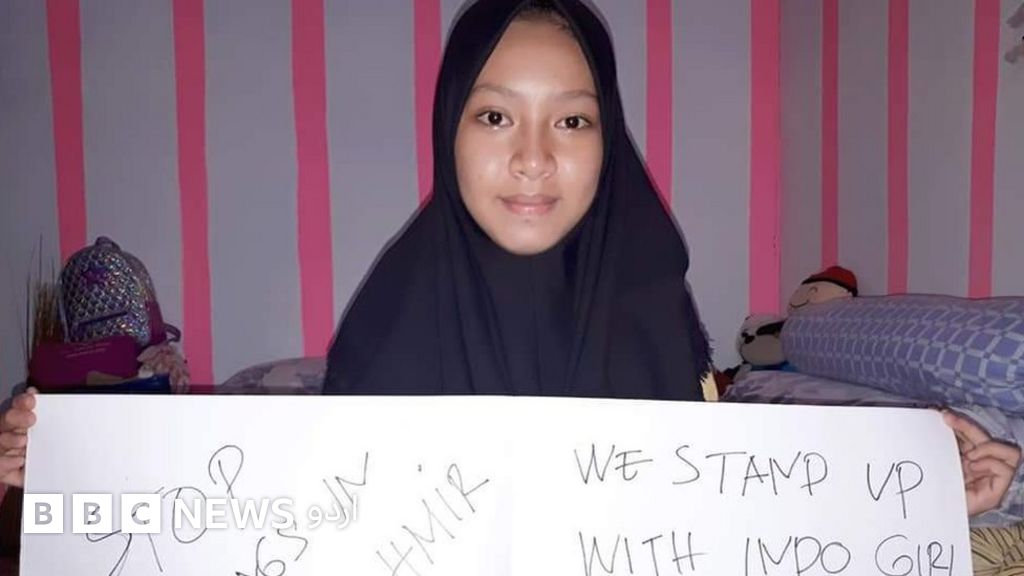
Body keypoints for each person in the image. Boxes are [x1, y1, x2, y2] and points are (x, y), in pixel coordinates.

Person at [0, 0, 1018, 524]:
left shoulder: (652, 308)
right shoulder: (392, 322)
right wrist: (80, 469)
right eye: (494, 116)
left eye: (572, 120)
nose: (533, 157)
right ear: (449, 128)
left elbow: (735, 499)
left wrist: (920, 483)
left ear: (608, 140)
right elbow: (288, 505)